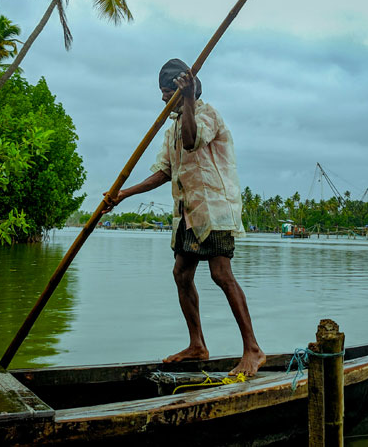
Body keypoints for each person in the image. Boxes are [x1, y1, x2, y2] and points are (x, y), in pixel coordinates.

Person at [104, 58, 265, 376]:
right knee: (181, 274)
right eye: (163, 93)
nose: (163, 99)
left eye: (167, 92)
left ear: (183, 92)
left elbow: (193, 141)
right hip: (187, 213)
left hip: (214, 211)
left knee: (221, 274)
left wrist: (189, 99)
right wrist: (123, 195)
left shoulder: (206, 114)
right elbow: (165, 171)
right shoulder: (172, 128)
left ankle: (253, 350)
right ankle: (197, 345)